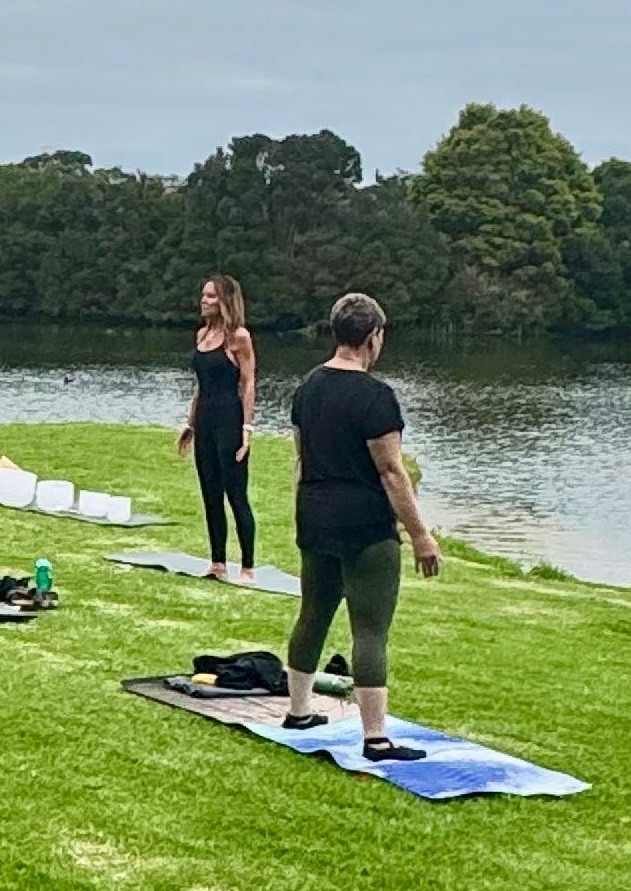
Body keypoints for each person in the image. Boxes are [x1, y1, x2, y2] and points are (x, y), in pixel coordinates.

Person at [281, 292, 442, 761]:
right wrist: (420, 535)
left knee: (312, 613)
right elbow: (391, 472)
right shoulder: (376, 397)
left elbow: (301, 460)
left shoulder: (308, 387)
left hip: (315, 514)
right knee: (370, 630)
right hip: (365, 526)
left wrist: (304, 514)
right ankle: (376, 739)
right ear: (374, 337)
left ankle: (298, 710)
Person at [174, 272, 258, 581]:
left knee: (236, 494)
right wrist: (190, 423)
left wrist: (247, 429)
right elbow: (200, 385)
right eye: (203, 295)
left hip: (230, 420)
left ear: (225, 301)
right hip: (206, 421)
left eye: (211, 296)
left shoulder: (239, 337)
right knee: (210, 494)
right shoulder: (201, 336)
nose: (204, 301)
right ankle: (218, 562)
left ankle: (247, 566)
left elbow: (248, 382)